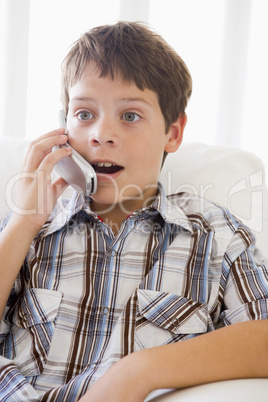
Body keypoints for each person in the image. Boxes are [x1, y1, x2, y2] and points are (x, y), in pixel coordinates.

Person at [0, 21, 268, 402]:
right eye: (84, 114)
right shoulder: (27, 230)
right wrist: (24, 221)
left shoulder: (215, 234)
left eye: (130, 116)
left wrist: (140, 370)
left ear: (172, 134)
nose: (101, 134)